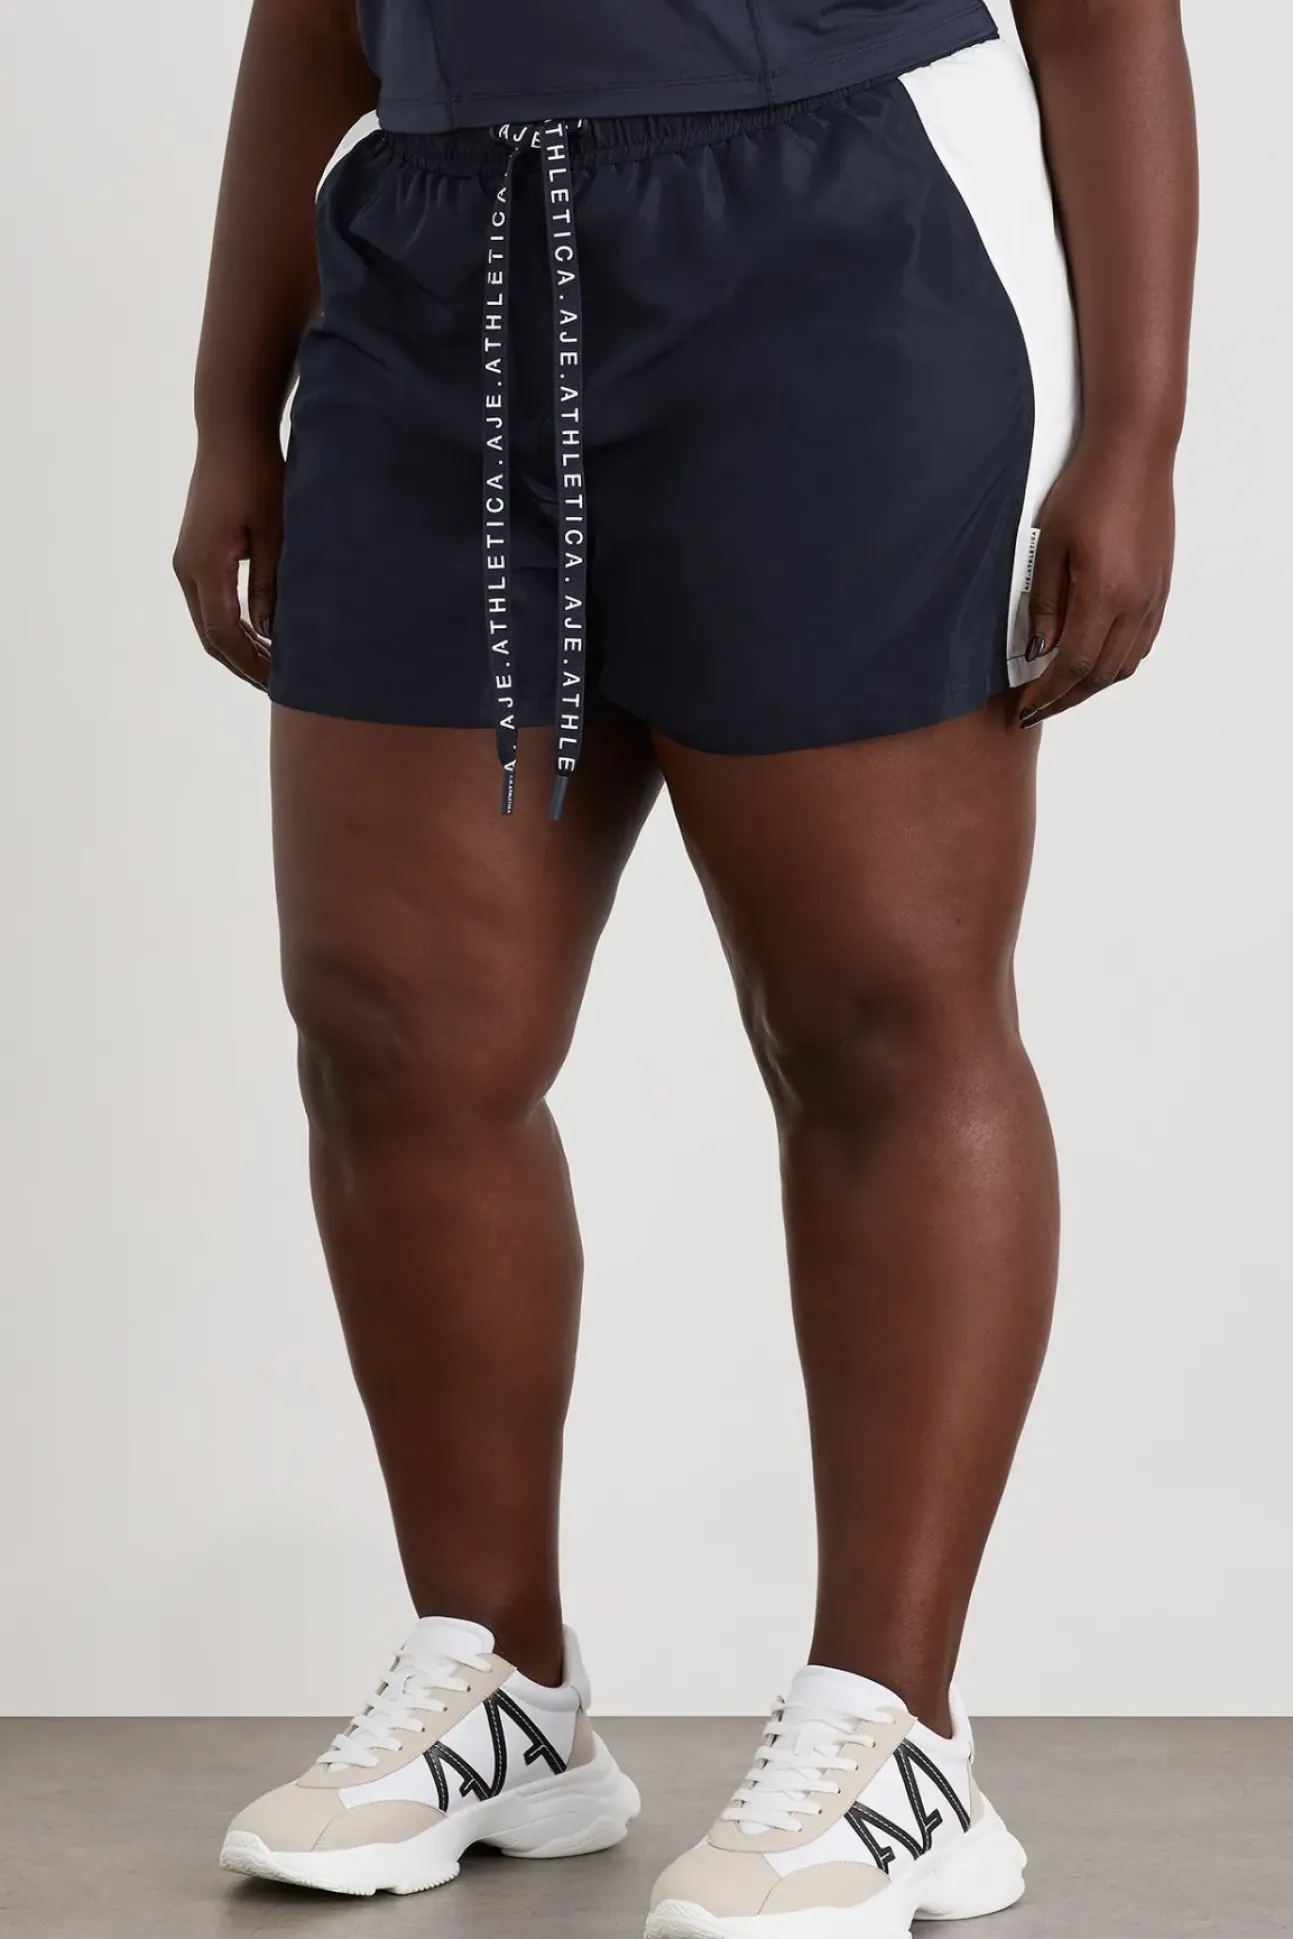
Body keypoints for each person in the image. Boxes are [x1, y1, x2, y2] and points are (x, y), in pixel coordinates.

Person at [174, 0, 1196, 1926]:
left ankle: (896, 1725)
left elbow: (1102, 16)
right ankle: (503, 1682)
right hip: (432, 275)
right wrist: (232, 404)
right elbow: (311, 18)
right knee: (391, 1023)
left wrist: (1135, 429)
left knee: (876, 1013)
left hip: (831, 248)